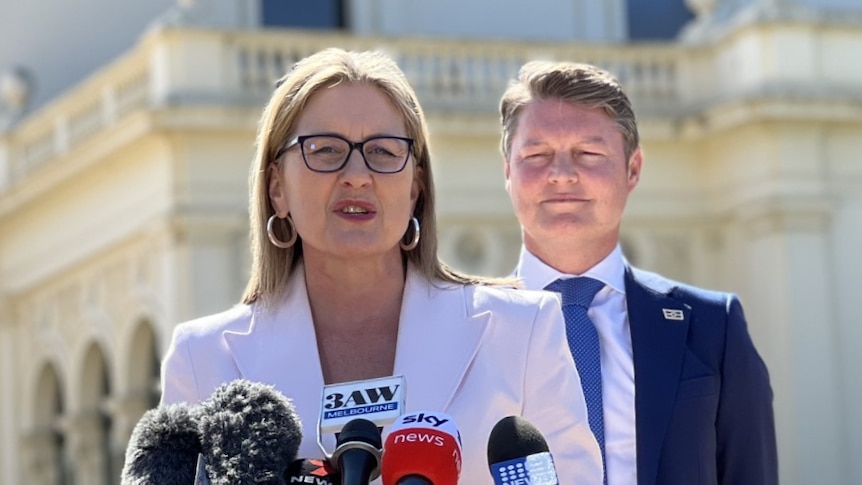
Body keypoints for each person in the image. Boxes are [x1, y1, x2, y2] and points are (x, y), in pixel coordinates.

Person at [159, 48, 602, 484]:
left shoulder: (522, 332)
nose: (357, 174)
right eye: (326, 150)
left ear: (415, 188)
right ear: (278, 188)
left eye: (385, 152)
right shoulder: (202, 359)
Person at [499, 60, 779, 485]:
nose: (561, 175)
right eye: (536, 155)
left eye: (588, 154)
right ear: (508, 172)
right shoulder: (462, 325)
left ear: (632, 169)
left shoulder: (712, 327)